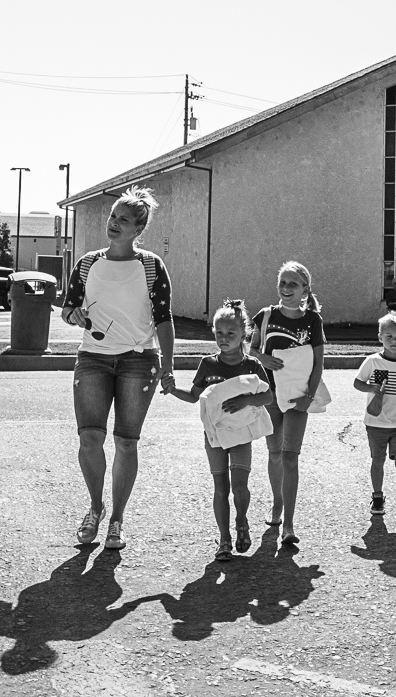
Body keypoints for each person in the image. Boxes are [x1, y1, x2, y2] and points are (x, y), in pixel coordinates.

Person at [60, 187, 176, 550]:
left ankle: (117, 520)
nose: (114, 223)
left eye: (124, 220)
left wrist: (169, 364)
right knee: (89, 438)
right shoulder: (88, 263)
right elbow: (67, 308)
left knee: (126, 442)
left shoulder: (152, 265)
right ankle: (95, 507)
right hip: (92, 357)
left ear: (138, 229)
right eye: (113, 216)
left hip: (139, 361)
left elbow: (163, 318)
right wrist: (73, 316)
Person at [163, 300, 274, 562]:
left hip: (241, 434)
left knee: (239, 486)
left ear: (243, 334)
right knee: (220, 487)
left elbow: (268, 397)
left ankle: (242, 520)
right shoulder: (208, 365)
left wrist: (246, 400)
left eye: (231, 334)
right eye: (219, 333)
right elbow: (194, 396)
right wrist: (170, 388)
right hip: (213, 435)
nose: (224, 339)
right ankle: (224, 539)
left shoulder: (252, 366)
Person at [250, 260, 326, 547]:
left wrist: (309, 396)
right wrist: (262, 358)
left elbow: (319, 362)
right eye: (282, 283)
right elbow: (252, 348)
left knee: (290, 456)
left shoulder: (312, 321)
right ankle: (276, 506)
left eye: (292, 284)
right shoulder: (266, 315)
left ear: (305, 289)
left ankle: (289, 525)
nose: (286, 289)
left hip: (297, 397)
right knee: (274, 454)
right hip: (269, 395)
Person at [353, 311, 396, 522]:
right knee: (378, 460)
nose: (394, 340)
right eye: (389, 336)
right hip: (376, 422)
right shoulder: (373, 362)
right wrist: (372, 387)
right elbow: (357, 383)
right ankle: (378, 497)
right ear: (380, 337)